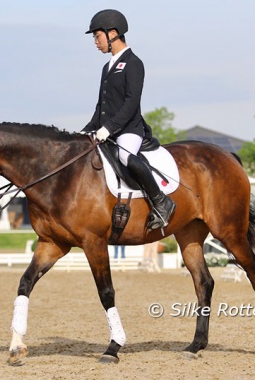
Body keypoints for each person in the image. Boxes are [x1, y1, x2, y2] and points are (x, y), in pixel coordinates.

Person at [82, 9, 175, 230]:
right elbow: (101, 107)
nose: (96, 42)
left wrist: (109, 128)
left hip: (129, 129)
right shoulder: (107, 67)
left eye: (97, 36)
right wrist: (86, 130)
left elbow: (131, 103)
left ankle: (162, 202)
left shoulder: (134, 63)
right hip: (107, 130)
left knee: (125, 156)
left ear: (112, 33)